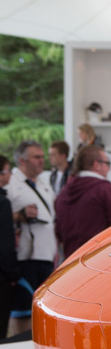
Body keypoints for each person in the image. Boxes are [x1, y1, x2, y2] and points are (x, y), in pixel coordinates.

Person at [7, 141, 57, 334]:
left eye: (43, 157)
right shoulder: (11, 183)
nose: (41, 161)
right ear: (22, 160)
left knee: (39, 313)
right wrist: (19, 215)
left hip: (45, 255)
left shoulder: (44, 183)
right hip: (24, 258)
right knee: (21, 312)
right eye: (37, 157)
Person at [55, 145, 111, 258]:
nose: (108, 169)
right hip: (97, 258)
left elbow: (58, 231)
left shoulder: (64, 192)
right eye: (107, 164)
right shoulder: (105, 190)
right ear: (96, 165)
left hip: (70, 259)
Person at [0, 156, 18, 339]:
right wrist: (13, 274)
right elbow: (5, 243)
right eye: (7, 171)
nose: (10, 175)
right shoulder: (3, 203)